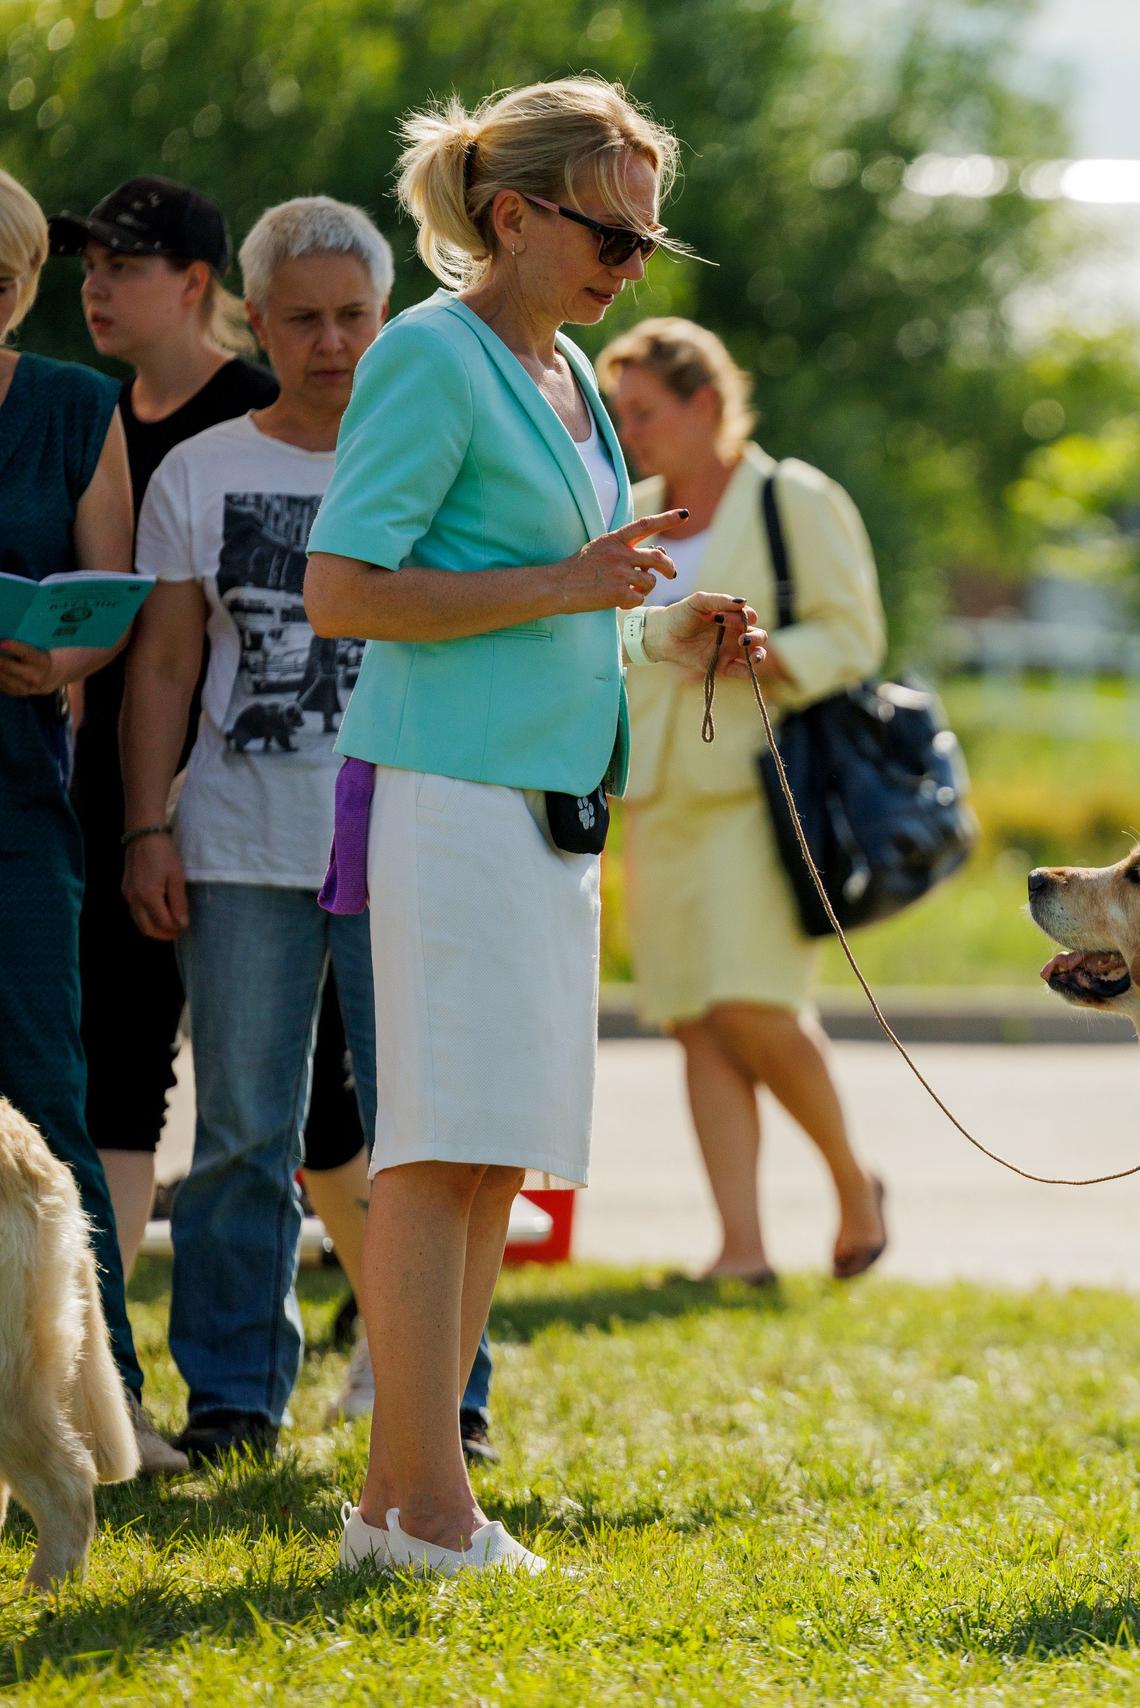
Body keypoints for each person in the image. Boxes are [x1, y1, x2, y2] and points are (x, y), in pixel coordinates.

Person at [302, 78, 761, 1575]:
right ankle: (427, 1510)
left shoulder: (563, 375)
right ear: (514, 216)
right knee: (439, 1153)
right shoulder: (431, 357)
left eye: (649, 245)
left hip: (551, 807)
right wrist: (570, 588)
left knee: (492, 1151)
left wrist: (665, 632)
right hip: (449, 801)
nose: (633, 267)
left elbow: (564, 601)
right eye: (613, 238)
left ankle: (399, 1503)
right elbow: (346, 591)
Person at [119, 194, 500, 1465]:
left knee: (427, 1132)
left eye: (353, 316)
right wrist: (145, 827)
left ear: (387, 319)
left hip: (416, 844)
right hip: (237, 845)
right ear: (255, 322)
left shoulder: (436, 451)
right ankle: (234, 1393)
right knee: (240, 1134)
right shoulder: (199, 469)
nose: (332, 343)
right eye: (302, 320)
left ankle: (442, 1398)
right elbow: (165, 668)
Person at [0, 150, 182, 1476]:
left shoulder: (72, 404)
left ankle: (114, 1413)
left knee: (44, 1100)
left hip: (9, 791)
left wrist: (62, 661)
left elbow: (116, 592)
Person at [598, 317, 888, 1283]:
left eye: (646, 411)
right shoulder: (630, 509)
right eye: (621, 413)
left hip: (764, 796)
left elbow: (855, 635)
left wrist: (771, 657)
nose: (630, 431)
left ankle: (853, 1185)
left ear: (707, 404)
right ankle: (742, 1249)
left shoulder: (792, 497)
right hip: (655, 793)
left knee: (754, 1005)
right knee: (692, 1017)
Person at [47, 177, 287, 1267]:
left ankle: (400, 1345)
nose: (95, 289)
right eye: (87, 268)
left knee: (313, 1101)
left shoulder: (269, 415)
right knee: (123, 1064)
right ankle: (113, 1378)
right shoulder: (91, 413)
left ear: (197, 283)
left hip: (254, 794)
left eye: (123, 266)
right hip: (110, 789)